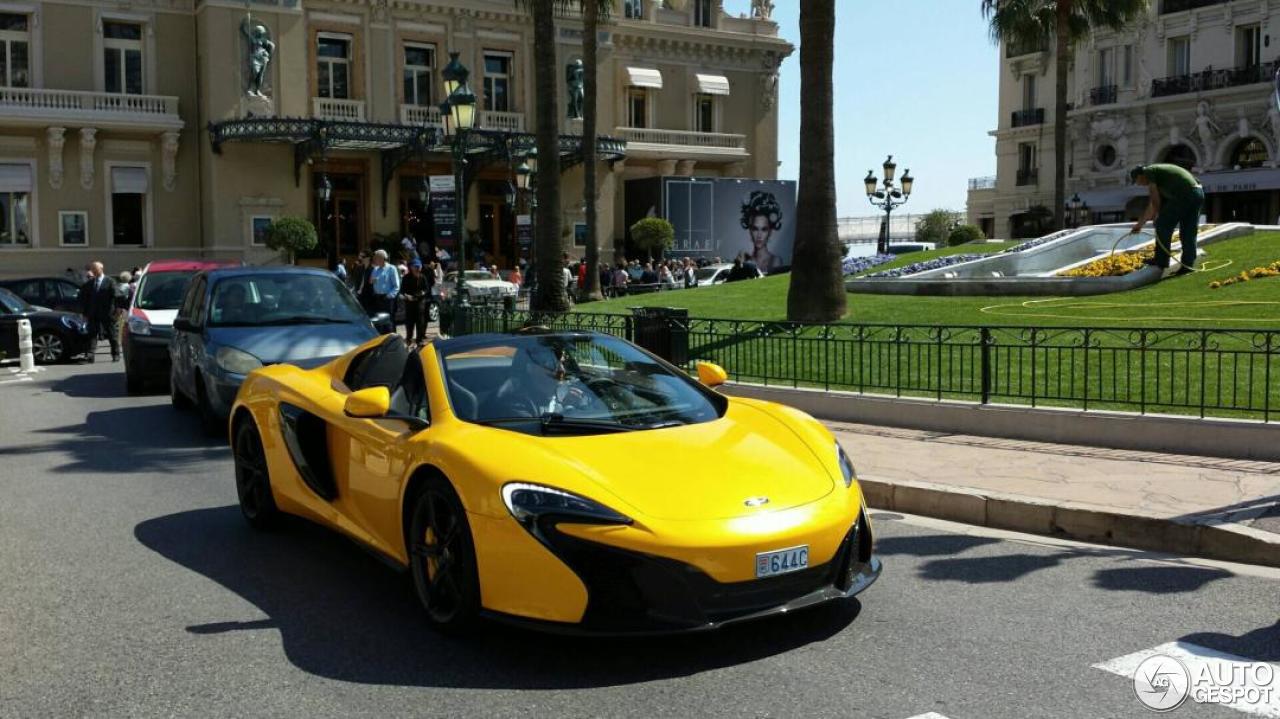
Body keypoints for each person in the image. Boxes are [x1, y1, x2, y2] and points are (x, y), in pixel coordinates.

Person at [1129, 164, 1205, 275]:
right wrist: (1140, 225)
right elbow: (1152, 206)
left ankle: (1161, 260)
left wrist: (1157, 217)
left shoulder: (1149, 172)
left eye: (1137, 181)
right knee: (1188, 231)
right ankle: (1187, 265)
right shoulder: (1163, 182)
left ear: (1140, 176)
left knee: (1163, 225)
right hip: (1197, 193)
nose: (1139, 184)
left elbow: (1154, 200)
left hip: (1184, 193)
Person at [80, 262, 119, 362]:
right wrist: (85, 313)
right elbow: (85, 299)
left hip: (107, 313)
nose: (94, 271)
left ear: (101, 269)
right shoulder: (90, 283)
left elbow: (116, 296)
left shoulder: (110, 281)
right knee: (92, 335)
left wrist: (117, 310)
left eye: (95, 269)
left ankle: (115, 354)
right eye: (93, 269)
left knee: (112, 335)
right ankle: (90, 355)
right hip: (93, 313)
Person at [400, 259, 430, 347]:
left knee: (420, 322)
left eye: (418, 266)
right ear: (411, 267)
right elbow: (402, 290)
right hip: (409, 303)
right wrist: (406, 296)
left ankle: (419, 339)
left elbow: (426, 289)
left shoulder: (422, 277)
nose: (417, 268)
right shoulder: (406, 277)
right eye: (415, 266)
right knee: (409, 322)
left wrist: (422, 293)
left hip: (419, 302)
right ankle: (409, 338)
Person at [368, 249, 401, 322]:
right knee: (379, 321)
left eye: (376, 258)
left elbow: (396, 286)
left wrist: (388, 296)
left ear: (382, 258)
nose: (374, 260)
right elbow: (370, 282)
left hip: (387, 299)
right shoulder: (375, 269)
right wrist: (372, 281)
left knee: (389, 322)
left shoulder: (391, 268)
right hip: (377, 298)